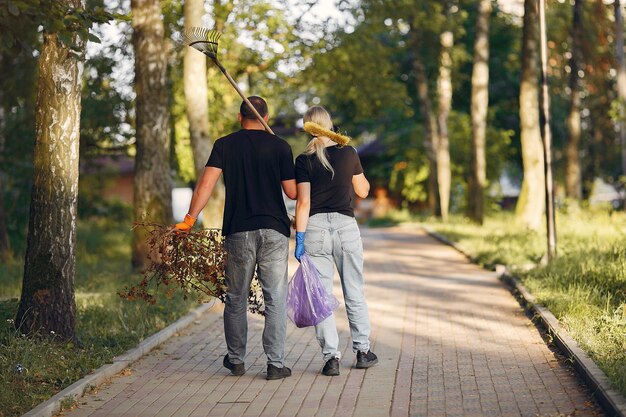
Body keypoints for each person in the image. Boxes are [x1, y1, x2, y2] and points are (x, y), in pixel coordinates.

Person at [175, 96, 297, 380]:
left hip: (239, 230)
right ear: (265, 117)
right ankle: (276, 364)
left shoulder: (224, 144)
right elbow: (292, 192)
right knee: (276, 298)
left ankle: (236, 360)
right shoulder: (280, 146)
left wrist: (189, 220)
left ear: (240, 118)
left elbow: (206, 184)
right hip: (274, 230)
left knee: (236, 297)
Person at [293, 105, 377, 376]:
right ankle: (362, 351)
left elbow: (303, 202)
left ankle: (331, 358)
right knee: (354, 290)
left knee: (320, 295)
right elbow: (362, 191)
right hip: (345, 227)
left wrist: (300, 239)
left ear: (307, 126)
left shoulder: (303, 161)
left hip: (315, 228)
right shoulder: (348, 152)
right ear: (328, 124)